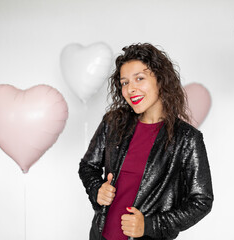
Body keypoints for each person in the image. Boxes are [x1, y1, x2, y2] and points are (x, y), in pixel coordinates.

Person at [79, 43, 213, 240]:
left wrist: (151, 225)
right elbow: (88, 166)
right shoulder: (114, 122)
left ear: (160, 80)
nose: (131, 89)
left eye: (139, 79)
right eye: (124, 83)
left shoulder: (186, 139)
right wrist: (97, 189)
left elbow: (202, 200)